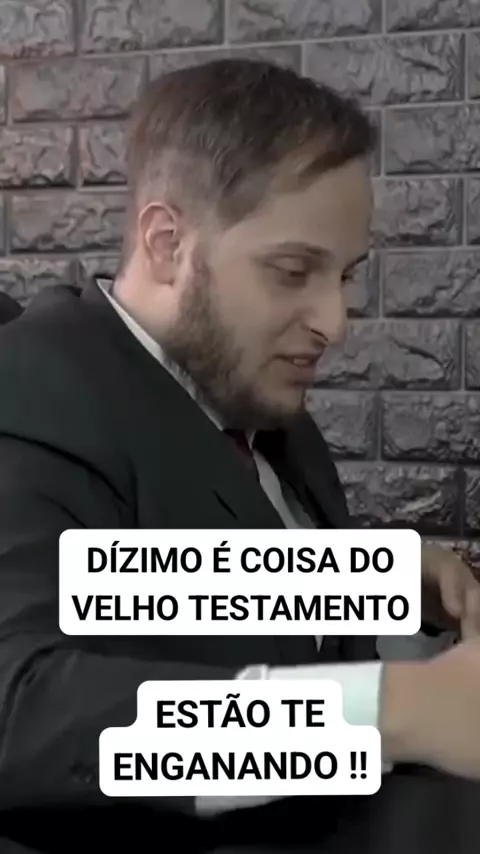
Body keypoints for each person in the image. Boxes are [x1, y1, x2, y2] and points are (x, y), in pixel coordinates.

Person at [0, 59, 479, 854]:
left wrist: (367, 583)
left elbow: (121, 584)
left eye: (345, 276)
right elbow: (21, 708)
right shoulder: (30, 387)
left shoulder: (262, 406)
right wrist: (394, 711)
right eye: (293, 272)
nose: (335, 321)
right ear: (167, 243)